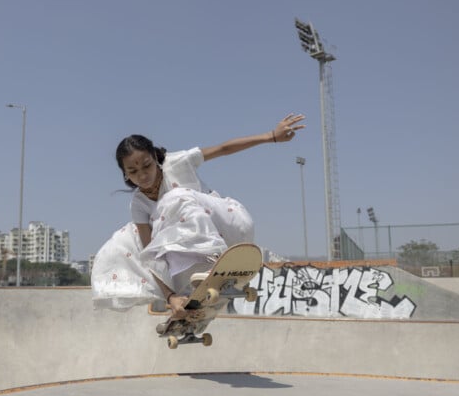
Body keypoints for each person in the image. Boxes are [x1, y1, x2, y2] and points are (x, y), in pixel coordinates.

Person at [92, 113, 306, 318]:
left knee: (174, 199)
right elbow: (151, 256)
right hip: (197, 255)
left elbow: (223, 148)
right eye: (133, 171)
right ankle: (199, 276)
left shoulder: (177, 163)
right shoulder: (139, 204)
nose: (143, 175)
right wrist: (170, 297)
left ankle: (215, 259)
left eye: (147, 166)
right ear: (126, 174)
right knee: (125, 240)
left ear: (155, 159)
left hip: (230, 225)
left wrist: (271, 136)